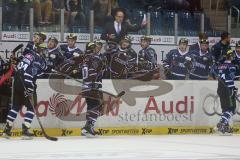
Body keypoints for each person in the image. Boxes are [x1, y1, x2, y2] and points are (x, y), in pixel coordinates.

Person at [2, 44, 48, 139]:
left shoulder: (28, 55)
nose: (44, 52)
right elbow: (29, 73)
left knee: (15, 106)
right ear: (39, 49)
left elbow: (24, 68)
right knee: (31, 107)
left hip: (17, 82)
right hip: (26, 82)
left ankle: (7, 129)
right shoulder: (37, 59)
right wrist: (29, 86)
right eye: (43, 50)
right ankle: (25, 130)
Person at [81, 42, 106, 137]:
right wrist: (93, 83)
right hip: (93, 86)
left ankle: (87, 127)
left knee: (91, 106)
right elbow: (92, 71)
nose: (97, 49)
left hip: (85, 86)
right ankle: (89, 126)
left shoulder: (85, 59)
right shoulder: (94, 58)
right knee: (98, 105)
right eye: (95, 47)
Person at [214, 49, 237, 134]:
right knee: (232, 109)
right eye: (232, 55)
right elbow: (229, 79)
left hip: (220, 89)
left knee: (225, 109)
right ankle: (222, 123)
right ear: (230, 56)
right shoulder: (231, 66)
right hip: (228, 89)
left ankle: (225, 128)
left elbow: (214, 73)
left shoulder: (220, 66)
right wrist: (233, 89)